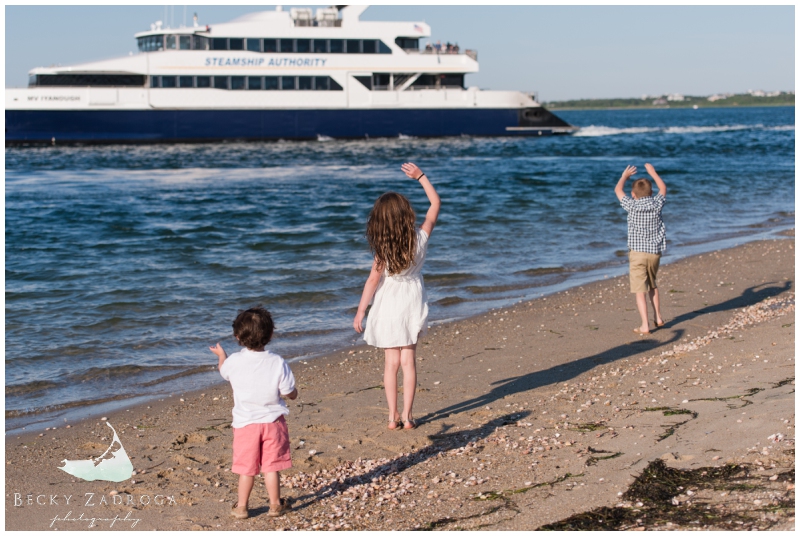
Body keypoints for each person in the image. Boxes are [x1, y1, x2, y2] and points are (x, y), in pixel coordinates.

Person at [353, 163, 441, 430]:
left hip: (389, 301)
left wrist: (360, 311)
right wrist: (421, 177)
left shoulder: (383, 249)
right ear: (407, 216)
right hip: (412, 299)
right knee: (408, 360)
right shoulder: (420, 238)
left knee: (391, 362)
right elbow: (435, 203)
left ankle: (392, 418)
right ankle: (408, 416)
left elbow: (372, 280)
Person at [209, 307, 298, 519]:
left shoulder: (234, 362)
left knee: (246, 469)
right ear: (270, 335)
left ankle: (241, 507)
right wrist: (294, 393)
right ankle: (275, 505)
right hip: (273, 423)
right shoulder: (277, 361)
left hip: (245, 424)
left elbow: (224, 372)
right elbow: (288, 392)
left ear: (237, 336)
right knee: (271, 467)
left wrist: (222, 355)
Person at [614, 163, 667, 335]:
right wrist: (653, 172)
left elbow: (617, 190)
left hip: (637, 253)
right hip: (654, 253)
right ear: (651, 193)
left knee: (639, 290)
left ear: (633, 195)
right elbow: (663, 187)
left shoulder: (631, 205)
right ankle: (658, 317)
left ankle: (645, 325)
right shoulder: (657, 203)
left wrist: (624, 176)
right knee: (652, 285)